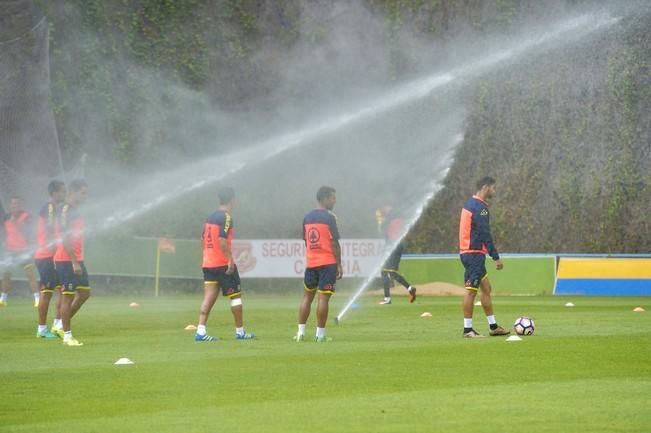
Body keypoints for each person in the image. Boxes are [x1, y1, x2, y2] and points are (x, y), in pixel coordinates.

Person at [195, 187, 254, 342]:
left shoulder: (209, 217)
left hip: (208, 263)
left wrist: (206, 256)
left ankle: (200, 331)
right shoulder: (226, 217)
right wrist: (229, 259)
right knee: (235, 297)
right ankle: (240, 332)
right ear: (232, 200)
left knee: (208, 297)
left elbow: (202, 239)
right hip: (222, 264)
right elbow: (222, 240)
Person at [459, 176, 509, 338]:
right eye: (493, 188)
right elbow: (485, 233)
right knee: (471, 291)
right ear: (486, 187)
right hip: (473, 254)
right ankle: (467, 330)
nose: (494, 191)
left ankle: (493, 327)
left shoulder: (470, 204)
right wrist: (496, 257)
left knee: (486, 288)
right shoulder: (480, 208)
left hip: (470, 253)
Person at [294, 186, 342, 342]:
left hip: (311, 263)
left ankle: (300, 333)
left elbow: (306, 241)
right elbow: (334, 242)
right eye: (333, 198)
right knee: (323, 299)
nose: (335, 201)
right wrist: (339, 264)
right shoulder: (330, 217)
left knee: (306, 298)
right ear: (325, 198)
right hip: (327, 263)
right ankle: (320, 335)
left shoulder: (307, 217)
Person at [54, 179, 90, 346]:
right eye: (83, 192)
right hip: (66, 259)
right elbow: (64, 236)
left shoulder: (76, 211)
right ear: (73, 192)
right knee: (67, 297)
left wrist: (78, 259)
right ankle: (67, 336)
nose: (85, 196)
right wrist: (74, 262)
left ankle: (60, 325)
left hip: (77, 259)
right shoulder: (65, 210)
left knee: (84, 294)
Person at [35, 180, 66, 338]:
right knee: (46, 292)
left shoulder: (54, 208)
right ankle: (41, 329)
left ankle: (57, 324)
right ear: (54, 193)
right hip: (47, 256)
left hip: (52, 256)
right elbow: (48, 232)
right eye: (62, 191)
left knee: (64, 289)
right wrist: (54, 255)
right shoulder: (49, 208)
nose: (64, 194)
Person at [0, 196, 40, 307]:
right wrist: (3, 241)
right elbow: (4, 232)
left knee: (30, 274)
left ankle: (37, 298)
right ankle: (3, 299)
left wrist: (17, 224)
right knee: (5, 275)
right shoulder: (6, 217)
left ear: (21, 206)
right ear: (10, 205)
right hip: (10, 251)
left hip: (24, 251)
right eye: (12, 204)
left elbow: (30, 233)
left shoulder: (27, 217)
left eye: (17, 204)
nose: (14, 206)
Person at [376, 206, 416, 305]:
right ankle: (410, 288)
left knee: (385, 271)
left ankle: (387, 298)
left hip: (393, 246)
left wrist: (380, 222)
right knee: (391, 272)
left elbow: (386, 235)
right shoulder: (400, 221)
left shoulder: (392, 222)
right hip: (398, 246)